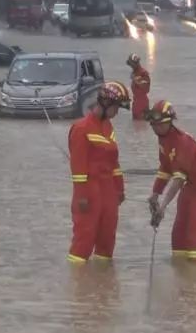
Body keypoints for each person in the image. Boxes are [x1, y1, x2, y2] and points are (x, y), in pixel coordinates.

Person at [147, 100, 196, 260]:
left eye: (159, 125)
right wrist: (155, 194)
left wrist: (163, 206)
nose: (155, 128)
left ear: (169, 123)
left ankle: (195, 278)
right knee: (178, 235)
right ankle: (180, 279)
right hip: (190, 186)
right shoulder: (163, 140)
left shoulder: (183, 142)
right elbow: (165, 169)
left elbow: (178, 179)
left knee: (194, 234)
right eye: (153, 125)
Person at [67, 81, 131, 263]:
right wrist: (82, 196)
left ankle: (103, 286)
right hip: (89, 191)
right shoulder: (81, 129)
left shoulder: (108, 128)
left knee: (107, 237)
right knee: (84, 238)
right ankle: (79, 284)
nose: (117, 112)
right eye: (116, 107)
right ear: (105, 102)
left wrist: (120, 189)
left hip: (108, 191)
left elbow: (114, 163)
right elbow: (78, 167)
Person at [127, 53, 151, 120]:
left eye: (132, 64)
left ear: (136, 63)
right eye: (130, 64)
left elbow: (146, 89)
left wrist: (135, 80)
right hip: (135, 102)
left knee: (141, 125)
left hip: (142, 103)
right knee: (136, 124)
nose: (131, 66)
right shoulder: (134, 72)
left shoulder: (143, 73)